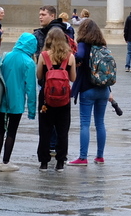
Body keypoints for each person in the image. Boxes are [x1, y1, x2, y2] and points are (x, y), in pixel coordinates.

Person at [0, 32, 37, 172]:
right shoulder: (29, 62)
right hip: (17, 101)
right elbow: (31, 88)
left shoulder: (5, 56)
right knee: (12, 131)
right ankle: (6, 162)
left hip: (1, 98)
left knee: (0, 129)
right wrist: (32, 109)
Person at [69, 19, 114, 166]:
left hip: (88, 88)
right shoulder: (102, 45)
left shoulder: (83, 44)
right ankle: (100, 156)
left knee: (85, 124)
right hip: (104, 89)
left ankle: (83, 158)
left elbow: (80, 55)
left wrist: (73, 59)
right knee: (100, 123)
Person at [36, 27, 76, 171]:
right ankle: (60, 162)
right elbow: (73, 78)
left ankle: (44, 162)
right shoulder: (70, 57)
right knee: (63, 130)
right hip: (63, 100)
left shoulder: (44, 55)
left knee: (45, 130)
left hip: (46, 99)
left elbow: (39, 76)